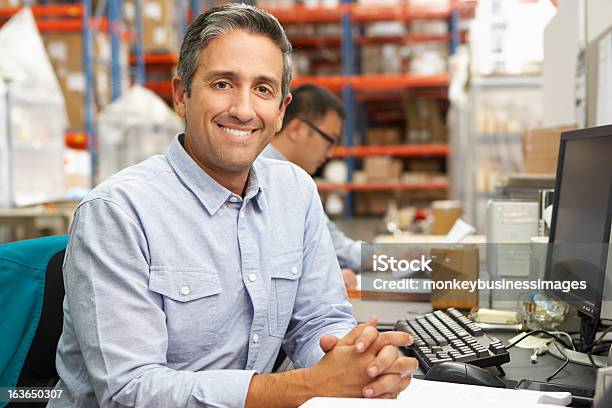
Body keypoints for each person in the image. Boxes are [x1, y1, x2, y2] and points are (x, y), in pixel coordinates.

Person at [49, 4, 417, 407]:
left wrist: (359, 364)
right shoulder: (118, 212)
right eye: (223, 83)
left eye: (263, 89)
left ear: (280, 110)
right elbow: (130, 392)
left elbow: (318, 321)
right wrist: (309, 385)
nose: (243, 110)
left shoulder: (295, 192)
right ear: (181, 96)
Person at [260, 84, 361, 289]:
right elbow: (338, 250)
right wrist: (408, 259)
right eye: (329, 140)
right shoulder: (277, 178)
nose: (330, 153)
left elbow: (330, 246)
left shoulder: (290, 179)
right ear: (296, 129)